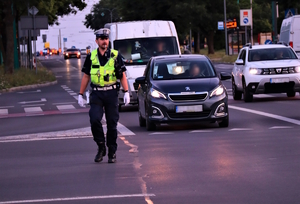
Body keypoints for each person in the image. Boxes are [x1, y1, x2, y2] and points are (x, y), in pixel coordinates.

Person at [78, 28, 130, 163]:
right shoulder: (91, 56)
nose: (104, 41)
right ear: (97, 41)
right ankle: (101, 146)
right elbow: (86, 76)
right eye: (101, 39)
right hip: (97, 94)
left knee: (112, 124)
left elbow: (122, 75)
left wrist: (126, 92)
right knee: (94, 119)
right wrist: (80, 94)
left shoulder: (115, 55)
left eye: (106, 39)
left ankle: (112, 151)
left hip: (112, 93)